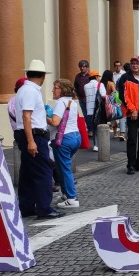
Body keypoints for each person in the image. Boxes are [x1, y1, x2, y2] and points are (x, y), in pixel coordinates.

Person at [14, 59, 64, 219]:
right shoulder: (30, 91)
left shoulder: (24, 89)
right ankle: (44, 208)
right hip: (34, 135)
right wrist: (31, 141)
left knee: (28, 173)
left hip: (28, 134)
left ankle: (26, 206)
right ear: (42, 76)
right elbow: (26, 116)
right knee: (44, 171)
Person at [48, 79, 82, 209]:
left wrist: (45, 115)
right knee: (62, 166)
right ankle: (66, 194)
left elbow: (55, 122)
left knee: (64, 168)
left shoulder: (60, 103)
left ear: (62, 89)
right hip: (75, 137)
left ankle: (72, 198)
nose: (53, 90)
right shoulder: (72, 102)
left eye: (55, 87)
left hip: (64, 139)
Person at [123, 56, 139, 175]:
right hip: (132, 114)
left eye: (137, 63)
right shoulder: (125, 77)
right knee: (132, 139)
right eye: (132, 63)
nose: (134, 65)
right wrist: (132, 110)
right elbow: (123, 96)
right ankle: (131, 164)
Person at [83, 70, 106, 152]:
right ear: (96, 77)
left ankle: (95, 145)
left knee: (94, 127)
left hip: (89, 110)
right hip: (99, 109)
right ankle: (101, 144)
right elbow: (103, 96)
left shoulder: (86, 86)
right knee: (101, 127)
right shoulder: (100, 84)